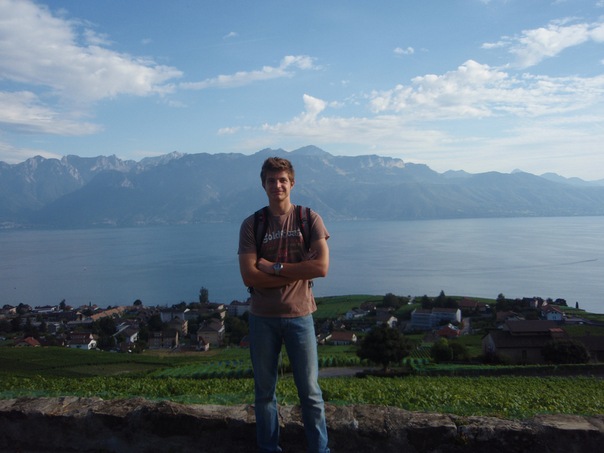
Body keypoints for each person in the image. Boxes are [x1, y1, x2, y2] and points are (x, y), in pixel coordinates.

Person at [238, 156, 330, 453]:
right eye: (271, 180)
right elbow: (249, 276)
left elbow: (321, 268)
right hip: (262, 318)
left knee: (310, 393)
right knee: (265, 393)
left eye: (282, 180)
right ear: (263, 184)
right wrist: (298, 270)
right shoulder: (252, 225)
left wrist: (273, 268)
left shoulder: (308, 219)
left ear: (292, 183)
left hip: (300, 315)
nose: (276, 185)